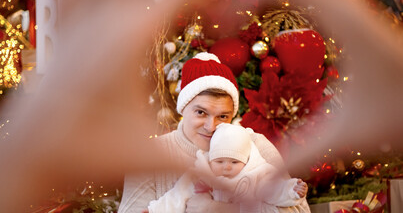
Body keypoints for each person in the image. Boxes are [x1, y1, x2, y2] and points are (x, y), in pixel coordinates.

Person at [118, 52, 310, 213]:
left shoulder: (256, 145)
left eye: (223, 116)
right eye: (201, 113)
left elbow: (299, 209)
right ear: (183, 108)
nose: (211, 127)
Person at [146, 123, 308, 213]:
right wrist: (154, 210)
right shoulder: (201, 176)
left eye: (234, 162)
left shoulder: (257, 174)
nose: (227, 167)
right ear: (211, 160)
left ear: (245, 161)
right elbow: (178, 195)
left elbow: (276, 189)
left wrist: (292, 189)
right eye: (220, 162)